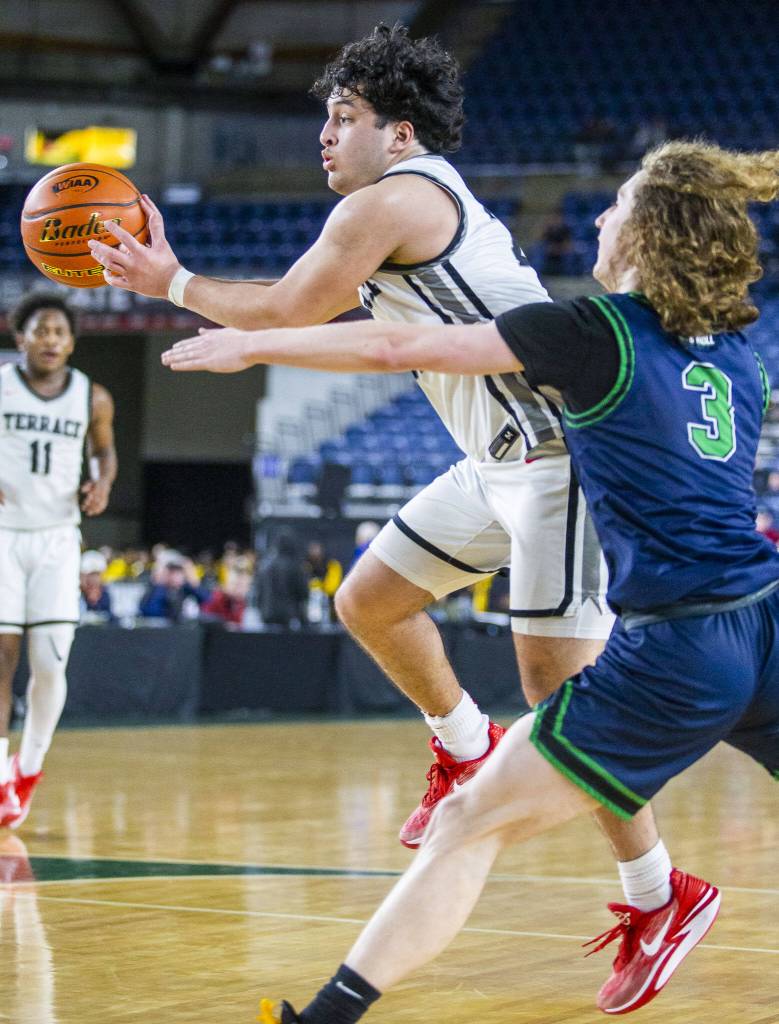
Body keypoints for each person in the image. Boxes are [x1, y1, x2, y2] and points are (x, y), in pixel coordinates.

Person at [164, 140, 779, 1018]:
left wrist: (255, 348)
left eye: (616, 207)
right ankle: (636, 881)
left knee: (465, 826)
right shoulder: (741, 360)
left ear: (647, 233)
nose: (600, 218)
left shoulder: (587, 332)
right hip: (767, 617)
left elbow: (397, 345)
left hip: (681, 647)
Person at [86, 24, 653, 875]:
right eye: (325, 117)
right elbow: (326, 322)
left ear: (399, 132)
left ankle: (656, 888)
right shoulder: (403, 208)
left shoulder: (392, 200)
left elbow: (285, 312)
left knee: (557, 693)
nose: (323, 134)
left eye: (343, 115)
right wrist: (232, 318)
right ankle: (465, 746)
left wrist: (170, 282)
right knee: (369, 602)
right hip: (494, 462)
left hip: (552, 455)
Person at [0, 292, 117, 828]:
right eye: (41, 330)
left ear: (72, 343)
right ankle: (1, 774)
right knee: (2, 655)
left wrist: (103, 482)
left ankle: (29, 766)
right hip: (3, 532)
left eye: (60, 332)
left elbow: (103, 450)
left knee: (49, 663)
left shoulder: (92, 397)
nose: (51, 340)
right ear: (18, 334)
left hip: (57, 537)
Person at [256, 532, 309, 627]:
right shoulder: (294, 565)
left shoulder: (264, 565)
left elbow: (259, 592)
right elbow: (303, 593)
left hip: (267, 614)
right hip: (288, 617)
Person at [138, 550, 208, 621]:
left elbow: (207, 602)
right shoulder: (155, 589)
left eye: (179, 570)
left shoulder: (185, 588)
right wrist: (160, 581)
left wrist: (193, 581)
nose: (175, 575)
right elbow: (150, 611)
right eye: (171, 571)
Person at [79, 549, 115, 621]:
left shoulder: (105, 594)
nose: (93, 580)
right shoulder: (75, 595)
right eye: (90, 575)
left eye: (97, 575)